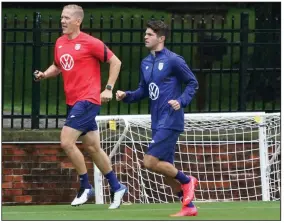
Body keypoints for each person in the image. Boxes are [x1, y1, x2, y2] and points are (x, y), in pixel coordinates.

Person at [34, 4, 127, 209]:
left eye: (67, 18)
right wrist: (44, 74)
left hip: (88, 100)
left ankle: (85, 186)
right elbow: (58, 66)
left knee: (66, 142)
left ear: (78, 21)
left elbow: (116, 62)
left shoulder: (90, 42)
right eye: (61, 18)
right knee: (93, 148)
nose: (63, 21)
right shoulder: (59, 42)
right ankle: (117, 186)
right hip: (72, 101)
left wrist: (108, 88)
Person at [116, 20, 199, 216]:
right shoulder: (145, 62)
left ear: (161, 38)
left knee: (150, 162)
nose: (145, 37)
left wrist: (181, 100)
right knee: (164, 170)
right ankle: (189, 207)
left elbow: (192, 83)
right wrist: (126, 95)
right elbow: (143, 91)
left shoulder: (174, 60)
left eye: (150, 34)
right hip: (157, 121)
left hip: (170, 119)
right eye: (145, 34)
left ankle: (188, 181)